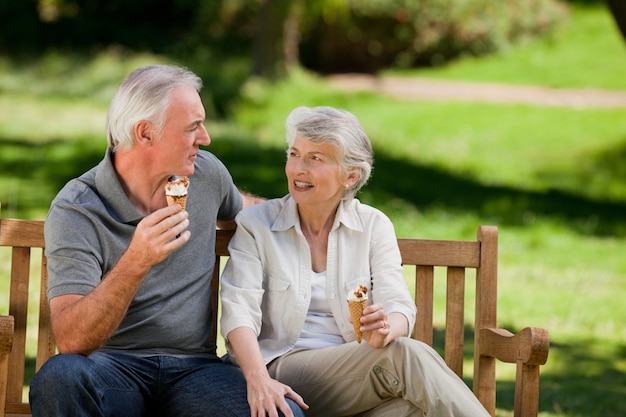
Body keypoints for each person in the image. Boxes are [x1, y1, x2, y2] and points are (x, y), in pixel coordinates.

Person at [29, 65, 305, 417]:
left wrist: (321, 208)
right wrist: (137, 260)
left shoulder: (205, 176)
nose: (204, 138)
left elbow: (252, 210)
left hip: (195, 371)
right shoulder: (78, 208)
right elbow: (71, 340)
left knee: (283, 414)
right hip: (113, 370)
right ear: (145, 133)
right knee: (59, 377)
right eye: (192, 127)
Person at [219, 106, 492, 417]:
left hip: (352, 382)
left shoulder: (373, 226)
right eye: (294, 154)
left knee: (415, 410)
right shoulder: (257, 225)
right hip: (280, 371)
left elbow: (398, 304)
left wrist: (387, 329)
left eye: (315, 158)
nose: (298, 168)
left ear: (351, 176)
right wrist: (259, 380)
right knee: (402, 356)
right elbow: (238, 311)